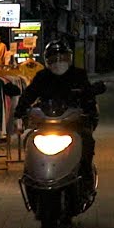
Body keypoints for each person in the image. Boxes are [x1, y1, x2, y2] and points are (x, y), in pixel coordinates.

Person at [14, 39, 98, 178]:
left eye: (62, 58)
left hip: (72, 123)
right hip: (46, 123)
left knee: (87, 142)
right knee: (29, 141)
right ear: (47, 61)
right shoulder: (42, 77)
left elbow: (88, 97)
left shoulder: (78, 75)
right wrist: (19, 113)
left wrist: (89, 113)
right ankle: (32, 176)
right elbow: (29, 95)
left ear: (69, 58)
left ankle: (85, 176)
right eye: (54, 59)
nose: (59, 62)